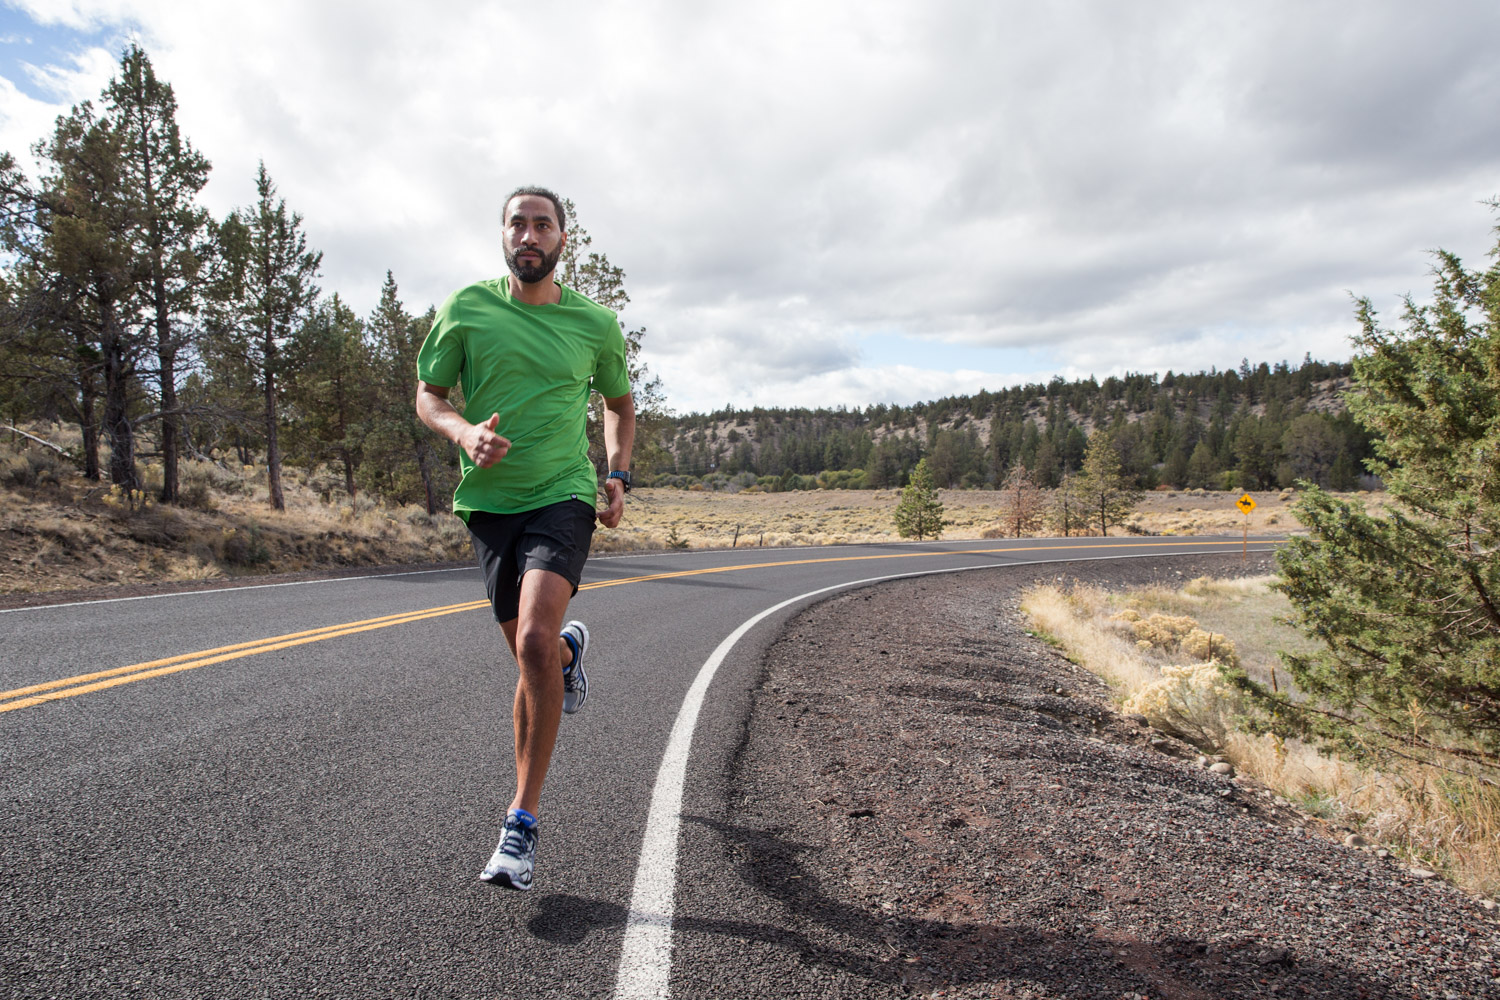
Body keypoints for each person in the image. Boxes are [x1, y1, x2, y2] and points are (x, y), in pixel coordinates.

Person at [415, 186, 635, 891]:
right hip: (488, 506)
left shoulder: (594, 324)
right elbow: (429, 395)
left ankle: (522, 824)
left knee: (533, 645)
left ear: (563, 239)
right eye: (518, 223)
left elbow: (620, 403)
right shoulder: (466, 309)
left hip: (564, 494)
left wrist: (618, 474)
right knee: (531, 654)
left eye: (543, 223)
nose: (529, 234)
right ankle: (568, 654)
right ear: (503, 236)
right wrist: (463, 432)